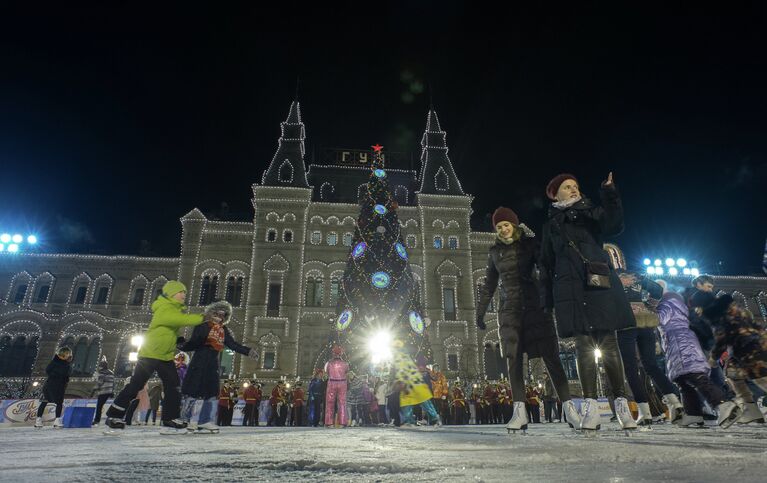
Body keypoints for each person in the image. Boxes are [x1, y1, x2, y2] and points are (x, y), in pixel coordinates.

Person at [539, 173, 637, 432]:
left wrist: (609, 192)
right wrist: (546, 301)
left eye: (576, 186)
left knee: (609, 343)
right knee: (583, 345)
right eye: (567, 187)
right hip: (569, 289)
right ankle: (590, 407)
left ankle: (622, 404)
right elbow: (546, 264)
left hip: (596, 282)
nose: (573, 190)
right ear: (555, 194)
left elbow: (614, 224)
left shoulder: (591, 212)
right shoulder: (551, 224)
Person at [477, 205, 582, 432]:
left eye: (506, 225)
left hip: (535, 306)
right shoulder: (494, 252)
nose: (503, 229)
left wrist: (550, 297)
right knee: (513, 360)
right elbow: (489, 284)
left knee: (551, 356)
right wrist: (480, 311)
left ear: (514, 225)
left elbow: (546, 266)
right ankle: (519, 412)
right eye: (499, 226)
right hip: (509, 309)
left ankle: (570, 409)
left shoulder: (530, 244)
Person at [105, 281, 205, 432]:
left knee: (174, 387)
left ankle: (170, 417)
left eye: (185, 292)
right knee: (136, 385)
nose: (184, 295)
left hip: (165, 356)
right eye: (181, 292)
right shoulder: (164, 307)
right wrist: (204, 317)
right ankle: (113, 415)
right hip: (150, 354)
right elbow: (179, 320)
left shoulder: (174, 309)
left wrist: (177, 340)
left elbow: (167, 329)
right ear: (172, 293)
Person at [654, 281, 741, 428]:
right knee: (682, 380)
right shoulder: (672, 301)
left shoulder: (668, 301)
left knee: (695, 376)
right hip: (676, 343)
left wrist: (644, 311)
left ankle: (723, 405)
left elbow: (659, 319)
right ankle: (693, 413)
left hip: (680, 343)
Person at [179, 300, 258, 432]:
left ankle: (204, 421)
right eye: (217, 313)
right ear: (211, 313)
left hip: (212, 363)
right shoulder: (203, 326)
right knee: (192, 391)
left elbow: (232, 345)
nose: (220, 317)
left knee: (211, 393)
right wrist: (181, 344)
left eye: (223, 315)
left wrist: (248, 351)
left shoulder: (223, 330)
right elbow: (194, 343)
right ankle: (184, 419)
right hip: (199, 362)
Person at [616, 271, 683, 426]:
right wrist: (647, 306)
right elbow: (658, 290)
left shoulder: (612, 278)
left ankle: (644, 412)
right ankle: (675, 403)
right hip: (645, 322)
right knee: (651, 366)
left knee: (630, 368)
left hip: (625, 323)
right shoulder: (636, 277)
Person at [699, 291, 767, 420]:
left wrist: (713, 358)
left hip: (750, 351)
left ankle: (751, 410)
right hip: (749, 349)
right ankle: (751, 410)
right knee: (733, 375)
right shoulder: (736, 310)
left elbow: (722, 340)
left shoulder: (719, 316)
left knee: (761, 378)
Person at [392, 339, 441, 426]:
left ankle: (410, 420)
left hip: (410, 383)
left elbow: (401, 369)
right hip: (415, 382)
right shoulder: (405, 356)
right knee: (423, 401)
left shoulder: (399, 357)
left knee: (409, 402)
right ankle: (435, 418)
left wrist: (400, 380)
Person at [35, 346, 72, 429]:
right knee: (44, 401)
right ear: (62, 354)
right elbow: (48, 370)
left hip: (60, 386)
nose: (68, 356)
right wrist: (57, 375)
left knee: (59, 403)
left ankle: (57, 420)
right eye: (67, 354)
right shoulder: (55, 362)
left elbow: (67, 375)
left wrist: (65, 380)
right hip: (50, 385)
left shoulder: (67, 364)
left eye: (69, 354)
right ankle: (38, 420)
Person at [324, 345, 349, 428]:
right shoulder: (345, 364)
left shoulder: (329, 363)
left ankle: (329, 422)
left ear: (333, 353)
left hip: (332, 382)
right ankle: (342, 422)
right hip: (342, 383)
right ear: (341, 354)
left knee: (330, 403)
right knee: (342, 403)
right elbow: (346, 372)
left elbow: (326, 372)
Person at [91, 356, 114, 426]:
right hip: (109, 391)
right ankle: (107, 417)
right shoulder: (111, 372)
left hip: (103, 391)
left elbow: (99, 383)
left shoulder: (102, 372)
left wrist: (93, 390)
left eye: (100, 365)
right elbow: (113, 382)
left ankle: (96, 420)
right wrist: (112, 391)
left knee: (99, 406)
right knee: (102, 405)